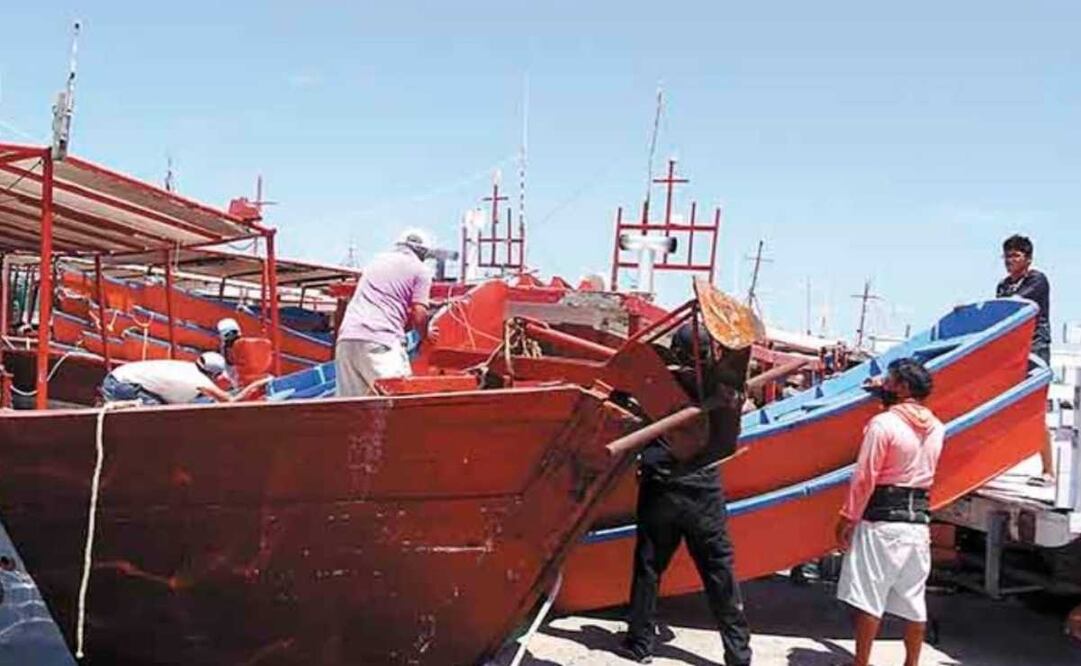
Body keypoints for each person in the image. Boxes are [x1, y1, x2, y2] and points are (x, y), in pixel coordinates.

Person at [621, 322, 753, 665]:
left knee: (649, 566)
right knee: (719, 573)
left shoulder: (658, 383)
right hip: (703, 489)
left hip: (662, 485)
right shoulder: (721, 385)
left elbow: (624, 405)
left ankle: (640, 643)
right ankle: (738, 655)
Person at [835, 358, 944, 666]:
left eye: (889, 380)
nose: (884, 384)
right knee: (914, 602)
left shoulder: (883, 424)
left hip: (881, 522)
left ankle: (861, 663)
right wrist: (883, 397)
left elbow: (865, 476)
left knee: (869, 599)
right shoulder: (937, 427)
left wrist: (847, 517)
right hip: (918, 523)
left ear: (903, 387)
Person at [335, 229, 434, 397]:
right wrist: (426, 335)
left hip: (347, 340)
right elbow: (419, 314)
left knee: (350, 407)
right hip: (380, 341)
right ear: (423, 253)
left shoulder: (377, 261)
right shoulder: (420, 270)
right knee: (401, 401)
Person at [995, 234, 1055, 486]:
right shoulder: (1003, 285)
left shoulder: (1036, 279)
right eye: (1007, 256)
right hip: (1012, 350)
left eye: (1015, 256)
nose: (1010, 261)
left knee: (1035, 409)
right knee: (1005, 408)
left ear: (1028, 259)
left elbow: (1016, 305)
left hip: (1035, 347)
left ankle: (1048, 470)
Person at [99, 352, 267, 405]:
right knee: (157, 417)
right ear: (214, 375)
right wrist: (259, 384)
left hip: (116, 378)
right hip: (122, 387)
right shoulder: (199, 381)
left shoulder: (186, 368)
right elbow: (231, 400)